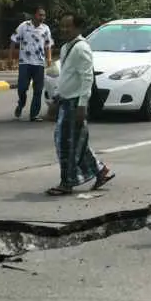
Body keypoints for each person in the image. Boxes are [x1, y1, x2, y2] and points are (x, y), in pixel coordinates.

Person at [46, 14, 112, 195]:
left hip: (75, 103)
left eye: (69, 26)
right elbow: (66, 76)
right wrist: (56, 98)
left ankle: (66, 183)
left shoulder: (81, 48)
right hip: (66, 101)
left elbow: (86, 77)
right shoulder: (67, 47)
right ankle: (100, 171)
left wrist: (82, 105)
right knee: (77, 142)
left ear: (78, 28)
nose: (64, 30)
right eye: (62, 26)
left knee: (66, 145)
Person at [10, 7, 52, 122]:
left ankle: (34, 114)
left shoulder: (45, 28)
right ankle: (21, 102)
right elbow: (14, 40)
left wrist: (49, 59)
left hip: (39, 63)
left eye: (44, 15)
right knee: (22, 88)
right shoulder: (24, 26)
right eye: (40, 15)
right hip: (25, 62)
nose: (42, 18)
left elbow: (48, 45)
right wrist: (11, 57)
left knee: (38, 90)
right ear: (34, 15)